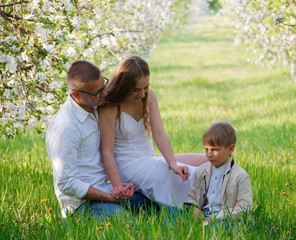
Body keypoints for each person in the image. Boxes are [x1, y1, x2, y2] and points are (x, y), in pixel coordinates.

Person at [46, 60, 151, 220]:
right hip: (82, 204)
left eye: (104, 86)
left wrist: (118, 187)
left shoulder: (95, 107)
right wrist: (108, 197)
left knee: (154, 201)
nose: (105, 94)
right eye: (97, 92)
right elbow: (66, 183)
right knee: (123, 221)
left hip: (108, 190)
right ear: (76, 95)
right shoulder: (66, 126)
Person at [98, 55, 207, 208]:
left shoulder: (149, 96)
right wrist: (117, 185)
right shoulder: (110, 107)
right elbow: (107, 151)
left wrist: (172, 163)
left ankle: (235, 206)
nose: (142, 94)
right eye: (136, 90)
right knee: (197, 177)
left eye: (146, 87)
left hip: (149, 159)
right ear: (124, 86)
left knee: (209, 162)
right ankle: (213, 213)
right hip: (128, 165)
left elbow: (159, 133)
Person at [184, 121, 252, 225]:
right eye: (206, 149)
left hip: (224, 219)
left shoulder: (241, 176)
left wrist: (214, 217)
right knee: (169, 211)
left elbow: (245, 208)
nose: (209, 154)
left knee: (223, 226)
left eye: (214, 150)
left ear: (230, 149)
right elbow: (192, 197)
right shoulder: (200, 171)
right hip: (203, 215)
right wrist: (194, 208)